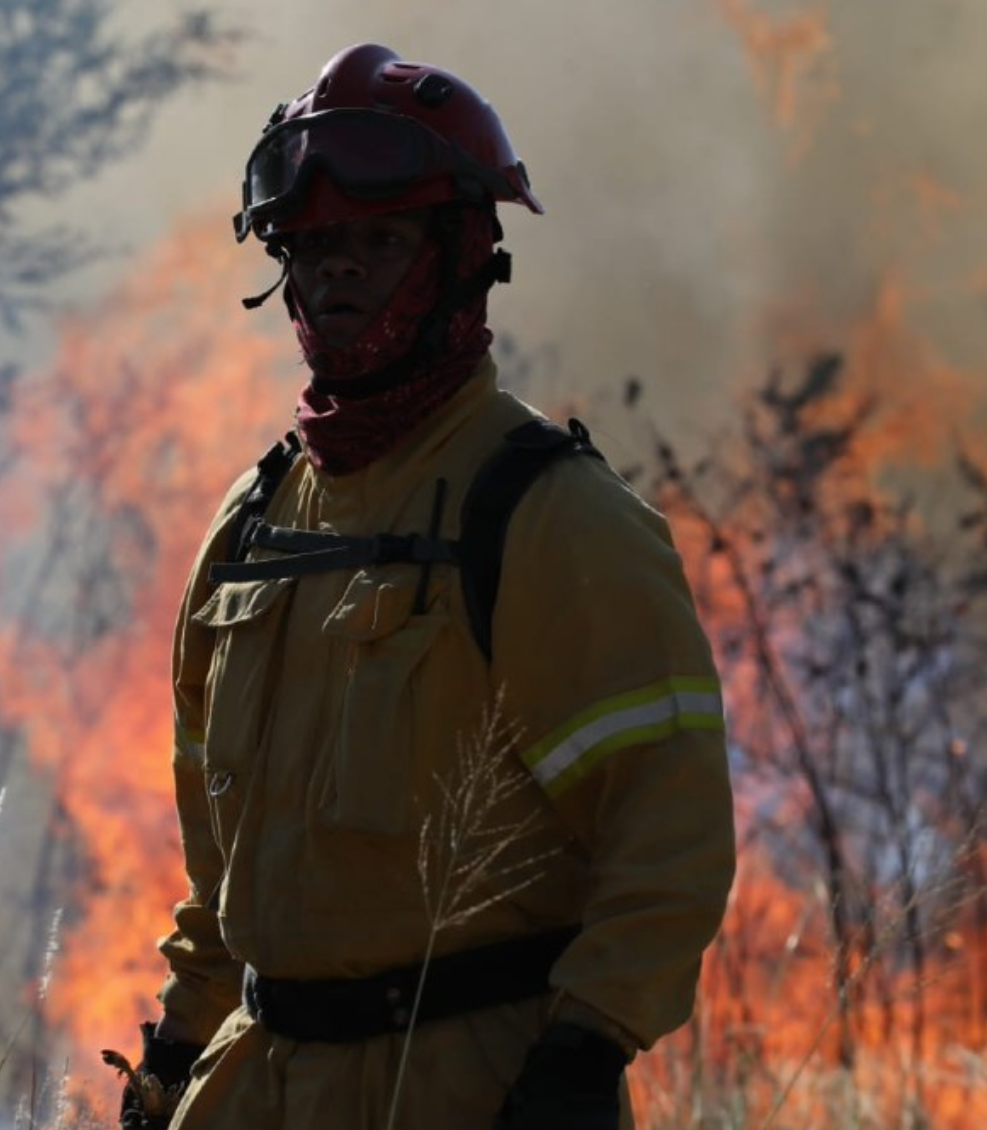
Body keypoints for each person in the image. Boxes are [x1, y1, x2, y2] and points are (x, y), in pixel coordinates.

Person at [110, 42, 736, 1130]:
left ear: (461, 255)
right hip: (253, 1084)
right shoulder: (250, 527)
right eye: (310, 246)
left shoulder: (547, 513)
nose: (333, 271)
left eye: (376, 240)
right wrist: (177, 1042)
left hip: (462, 1084)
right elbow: (223, 870)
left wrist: (587, 1046)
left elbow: (665, 825)